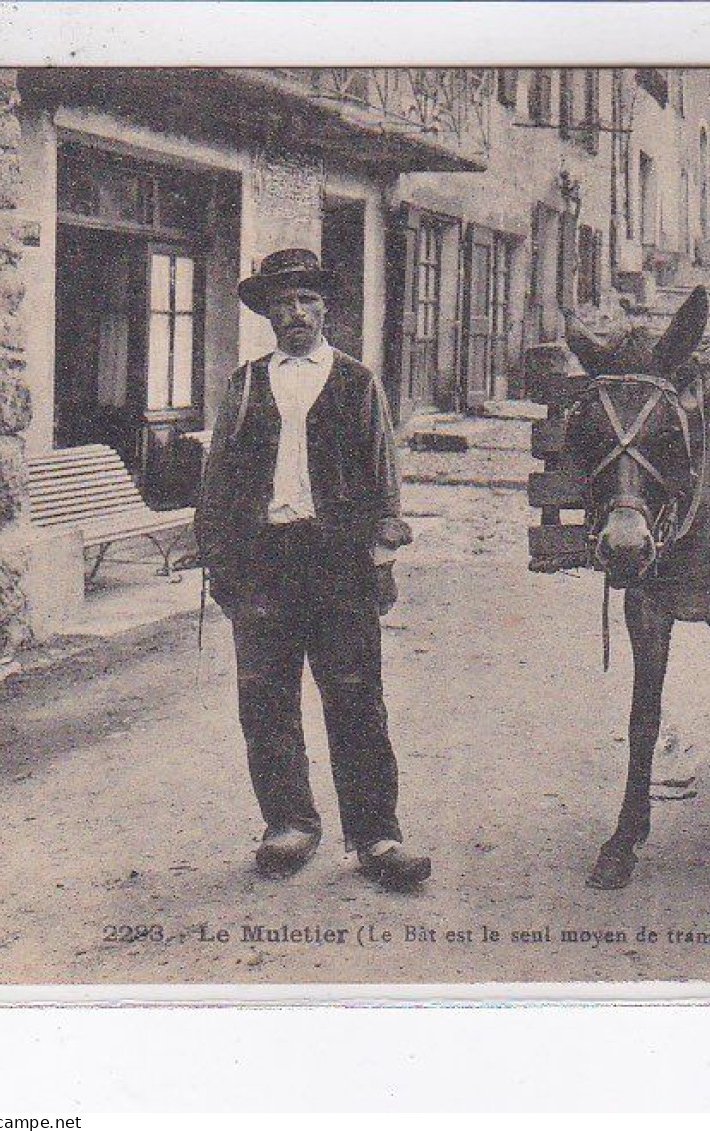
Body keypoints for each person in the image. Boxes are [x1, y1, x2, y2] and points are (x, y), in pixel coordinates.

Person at [194, 247, 429, 892]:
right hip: (263, 562)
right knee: (265, 700)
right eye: (283, 303)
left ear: (325, 309)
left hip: (338, 562)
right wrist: (218, 556)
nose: (296, 313)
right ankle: (288, 824)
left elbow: (384, 475)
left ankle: (378, 835)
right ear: (268, 315)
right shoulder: (244, 384)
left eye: (307, 301)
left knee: (356, 699)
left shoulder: (357, 381)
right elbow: (218, 477)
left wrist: (381, 550)